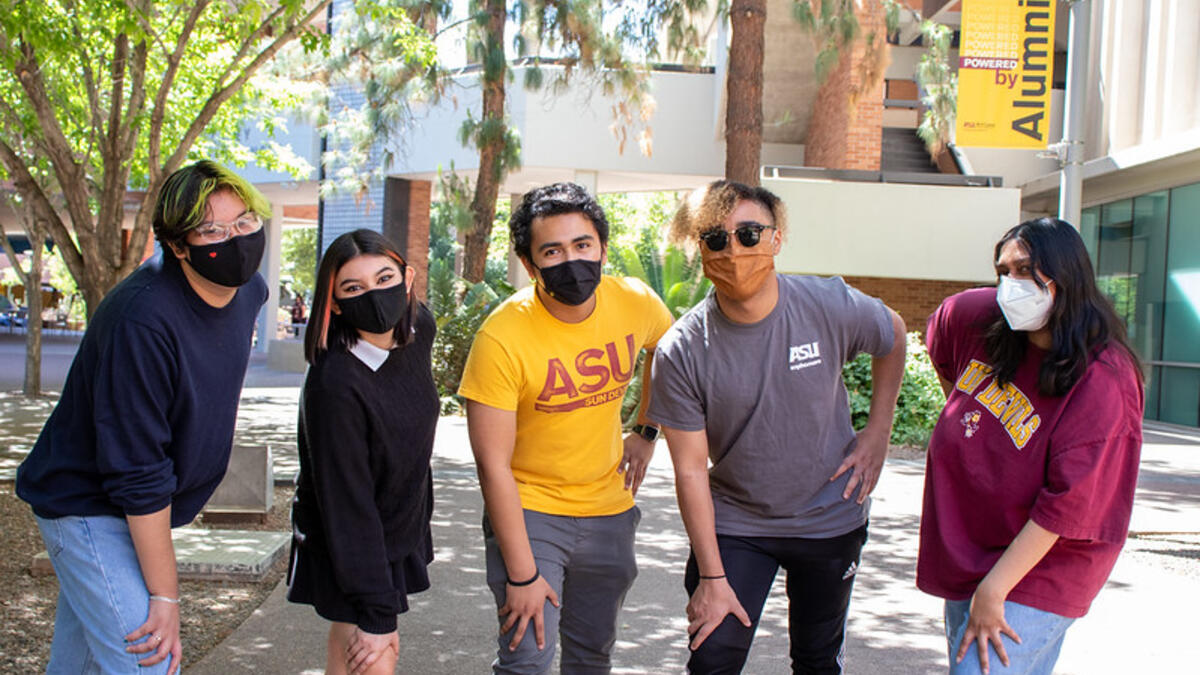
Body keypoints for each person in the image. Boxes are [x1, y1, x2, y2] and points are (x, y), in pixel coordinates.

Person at [15, 160, 270, 674]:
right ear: (177, 246)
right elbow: (138, 470)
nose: (235, 239)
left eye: (244, 221)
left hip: (137, 503)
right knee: (149, 662)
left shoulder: (250, 293)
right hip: (85, 502)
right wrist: (166, 598)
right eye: (212, 230)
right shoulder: (142, 320)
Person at [647, 180, 907, 674]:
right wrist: (711, 574)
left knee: (816, 660)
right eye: (716, 239)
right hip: (738, 524)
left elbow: (892, 333)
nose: (734, 251)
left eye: (748, 234)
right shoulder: (681, 349)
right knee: (713, 658)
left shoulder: (827, 303)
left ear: (776, 239)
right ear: (700, 249)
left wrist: (878, 431)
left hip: (831, 516)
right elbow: (690, 472)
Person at [458, 182, 673, 673]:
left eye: (583, 245)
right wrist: (522, 573)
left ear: (602, 248)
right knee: (527, 660)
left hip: (609, 509)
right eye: (552, 251)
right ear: (531, 266)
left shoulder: (635, 301)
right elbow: (492, 466)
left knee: (591, 657)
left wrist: (647, 429)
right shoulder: (502, 337)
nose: (571, 261)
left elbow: (667, 352)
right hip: (531, 510)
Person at [917, 217, 1143, 675]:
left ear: (1064, 275)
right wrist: (970, 429)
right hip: (974, 546)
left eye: (1024, 270)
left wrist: (995, 589)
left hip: (1046, 564)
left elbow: (1069, 504)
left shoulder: (1104, 379)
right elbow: (943, 347)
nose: (1010, 285)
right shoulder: (978, 318)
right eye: (1003, 271)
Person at [285, 228, 437, 675]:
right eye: (354, 288)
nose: (374, 295)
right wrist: (375, 607)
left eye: (384, 277)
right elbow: (347, 502)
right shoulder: (335, 385)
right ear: (333, 302)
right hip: (349, 537)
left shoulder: (418, 328)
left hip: (397, 520)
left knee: (353, 641)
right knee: (374, 647)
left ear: (407, 278)